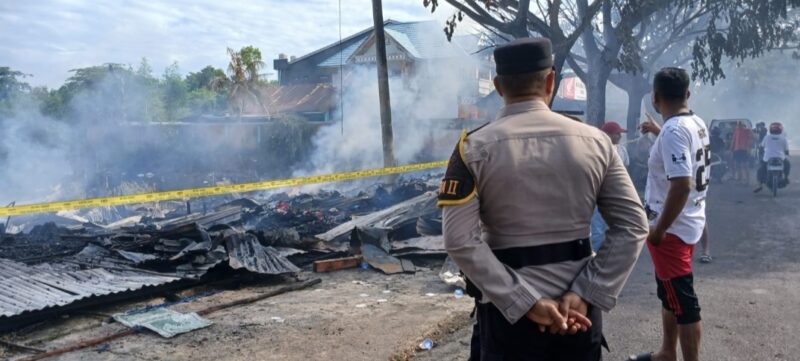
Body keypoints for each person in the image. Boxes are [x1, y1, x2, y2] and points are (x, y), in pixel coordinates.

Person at [440, 37, 648, 361]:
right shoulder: (596, 142)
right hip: (578, 318)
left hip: (508, 322)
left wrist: (523, 301)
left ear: (497, 86)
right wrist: (585, 292)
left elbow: (458, 240)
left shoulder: (471, 149)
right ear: (551, 80)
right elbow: (634, 226)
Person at [630, 67, 709, 361]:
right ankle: (666, 352)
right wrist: (658, 131)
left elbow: (681, 184)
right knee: (670, 295)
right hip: (689, 223)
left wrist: (659, 229)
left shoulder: (675, 130)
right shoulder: (694, 123)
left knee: (684, 303)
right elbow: (681, 149)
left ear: (655, 98)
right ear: (687, 94)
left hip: (672, 230)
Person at [590, 121, 631, 250]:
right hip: (600, 194)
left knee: (616, 227)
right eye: (617, 134)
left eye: (620, 134)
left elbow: (626, 170)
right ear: (607, 135)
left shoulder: (622, 150)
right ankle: (595, 257)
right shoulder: (597, 149)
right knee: (597, 229)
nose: (620, 136)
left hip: (617, 194)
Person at [753, 122, 790, 193]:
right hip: (780, 158)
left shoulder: (767, 137)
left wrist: (761, 151)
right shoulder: (783, 138)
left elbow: (761, 146)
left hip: (767, 158)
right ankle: (786, 178)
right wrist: (786, 153)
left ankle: (759, 184)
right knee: (787, 164)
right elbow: (786, 150)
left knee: (760, 169)